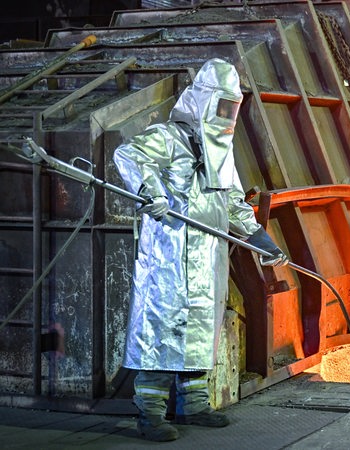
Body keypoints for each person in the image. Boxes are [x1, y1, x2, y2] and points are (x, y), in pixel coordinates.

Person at [113, 58, 288, 442]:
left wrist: (258, 237)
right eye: (221, 106)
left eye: (231, 107)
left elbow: (231, 202)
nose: (226, 116)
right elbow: (129, 156)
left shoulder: (221, 150)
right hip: (169, 257)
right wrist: (151, 191)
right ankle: (150, 412)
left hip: (208, 258)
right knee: (160, 329)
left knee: (198, 330)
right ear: (203, 101)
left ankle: (193, 404)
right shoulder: (168, 137)